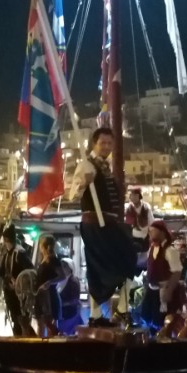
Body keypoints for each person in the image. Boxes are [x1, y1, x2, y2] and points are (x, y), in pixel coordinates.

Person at [69, 127, 138, 324]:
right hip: (95, 224)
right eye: (102, 143)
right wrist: (84, 183)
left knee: (127, 259)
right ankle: (101, 313)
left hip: (108, 223)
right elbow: (72, 195)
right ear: (94, 144)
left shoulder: (105, 167)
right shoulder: (86, 166)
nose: (106, 146)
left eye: (109, 143)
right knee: (101, 268)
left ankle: (114, 310)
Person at [140, 220, 185, 337]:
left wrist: (169, 291)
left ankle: (163, 339)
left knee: (162, 320)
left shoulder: (170, 251)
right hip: (152, 290)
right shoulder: (151, 249)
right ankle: (152, 337)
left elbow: (177, 272)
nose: (150, 233)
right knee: (146, 315)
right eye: (149, 230)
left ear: (162, 232)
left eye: (153, 230)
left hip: (163, 291)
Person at [0, 224, 35, 336]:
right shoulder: (7, 254)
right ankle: (18, 334)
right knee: (15, 316)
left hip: (18, 292)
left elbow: (30, 270)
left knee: (21, 317)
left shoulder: (19, 253)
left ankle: (26, 336)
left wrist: (18, 282)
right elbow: (1, 271)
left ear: (6, 240)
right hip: (9, 291)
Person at [34, 234, 65, 337]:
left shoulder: (53, 260)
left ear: (43, 246)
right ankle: (40, 344)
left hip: (49, 297)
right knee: (41, 324)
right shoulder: (44, 259)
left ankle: (51, 344)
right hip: (41, 297)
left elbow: (62, 276)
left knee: (50, 325)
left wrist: (50, 282)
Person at [57, 258, 83, 335]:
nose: (62, 268)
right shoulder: (60, 280)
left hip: (70, 315)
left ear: (70, 268)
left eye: (65, 266)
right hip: (62, 315)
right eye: (61, 266)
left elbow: (75, 300)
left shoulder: (73, 281)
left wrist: (61, 304)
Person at [124, 187, 154, 252]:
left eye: (135, 195)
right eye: (132, 195)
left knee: (144, 254)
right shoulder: (128, 208)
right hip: (133, 237)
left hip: (144, 237)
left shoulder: (145, 207)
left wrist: (151, 235)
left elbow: (151, 222)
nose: (133, 197)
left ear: (139, 196)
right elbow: (126, 222)